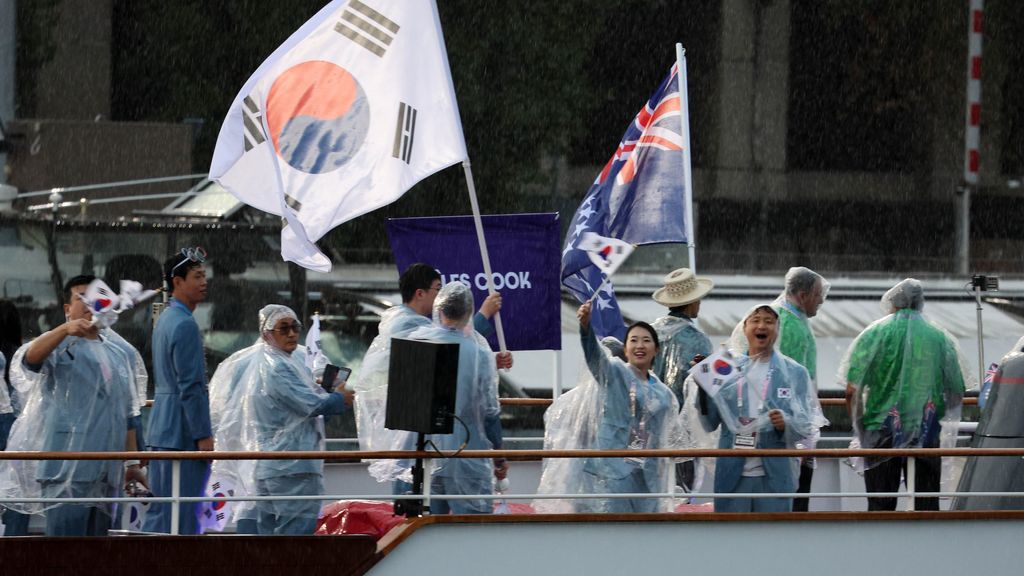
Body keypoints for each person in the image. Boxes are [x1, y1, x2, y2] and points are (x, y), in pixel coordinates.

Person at [0, 276, 145, 535]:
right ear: (67, 309)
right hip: (67, 470)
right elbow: (29, 360)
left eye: (96, 296)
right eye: (81, 297)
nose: (90, 303)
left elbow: (127, 412)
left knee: (98, 555)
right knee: (66, 555)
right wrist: (64, 330)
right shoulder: (59, 343)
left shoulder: (119, 353)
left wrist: (131, 464)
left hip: (106, 470)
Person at [353, 263, 509, 490]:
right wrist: (483, 319)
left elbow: (450, 357)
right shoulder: (410, 327)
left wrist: (486, 361)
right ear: (420, 293)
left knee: (423, 504)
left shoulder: (415, 326)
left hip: (429, 441)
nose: (440, 295)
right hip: (431, 438)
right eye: (437, 288)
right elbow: (449, 348)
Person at [216, 305, 353, 534]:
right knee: (295, 538)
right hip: (292, 465)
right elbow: (311, 404)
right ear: (267, 333)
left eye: (295, 328)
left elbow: (298, 404)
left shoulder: (267, 362)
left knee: (268, 537)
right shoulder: (277, 366)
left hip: (270, 465)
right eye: (284, 329)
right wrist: (340, 398)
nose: (291, 334)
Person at [840, 278, 970, 511]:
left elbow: (852, 390)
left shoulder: (874, 333)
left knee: (881, 505)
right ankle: (924, 546)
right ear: (921, 303)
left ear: (892, 303)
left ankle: (882, 546)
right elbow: (957, 390)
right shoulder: (939, 337)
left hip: (880, 430)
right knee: (926, 505)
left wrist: (862, 430)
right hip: (926, 429)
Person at [696, 305, 817, 513]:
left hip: (776, 476)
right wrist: (703, 387)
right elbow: (709, 424)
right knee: (732, 540)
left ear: (778, 329)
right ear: (745, 328)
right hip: (732, 476)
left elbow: (806, 426)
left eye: (769, 321)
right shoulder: (724, 366)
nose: (762, 325)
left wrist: (785, 423)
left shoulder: (795, 372)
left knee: (774, 540)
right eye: (756, 320)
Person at [564, 300, 679, 513]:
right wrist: (586, 328)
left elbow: (666, 437)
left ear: (657, 349)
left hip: (648, 475)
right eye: (633, 340)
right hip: (611, 470)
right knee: (612, 533)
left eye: (646, 340)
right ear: (625, 349)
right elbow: (595, 357)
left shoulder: (665, 394)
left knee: (645, 537)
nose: (640, 346)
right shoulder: (615, 373)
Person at [406, 283, 504, 514]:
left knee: (430, 528)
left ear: (439, 310)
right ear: (469, 313)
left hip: (426, 455)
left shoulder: (417, 344)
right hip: (468, 452)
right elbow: (490, 413)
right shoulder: (479, 354)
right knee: (473, 532)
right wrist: (499, 455)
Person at [144, 248, 212, 534]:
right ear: (177, 281)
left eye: (204, 276)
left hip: (162, 427)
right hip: (182, 432)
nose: (203, 282)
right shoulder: (184, 324)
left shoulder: (167, 319)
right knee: (182, 519)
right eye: (196, 276)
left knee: (162, 512)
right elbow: (191, 386)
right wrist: (204, 435)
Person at [650, 267, 714, 492]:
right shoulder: (699, 340)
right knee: (681, 493)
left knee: (652, 490)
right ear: (691, 302)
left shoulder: (648, 334)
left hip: (649, 427)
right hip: (683, 431)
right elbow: (707, 389)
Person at [772, 266, 829, 511]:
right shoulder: (791, 324)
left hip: (787, 422)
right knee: (796, 492)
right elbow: (793, 384)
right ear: (803, 295)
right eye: (818, 295)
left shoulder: (784, 318)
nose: (821, 301)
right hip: (791, 425)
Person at [0, 299, 30, 535]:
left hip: (7, 420)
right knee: (16, 487)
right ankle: (14, 540)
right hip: (13, 425)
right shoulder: (20, 355)